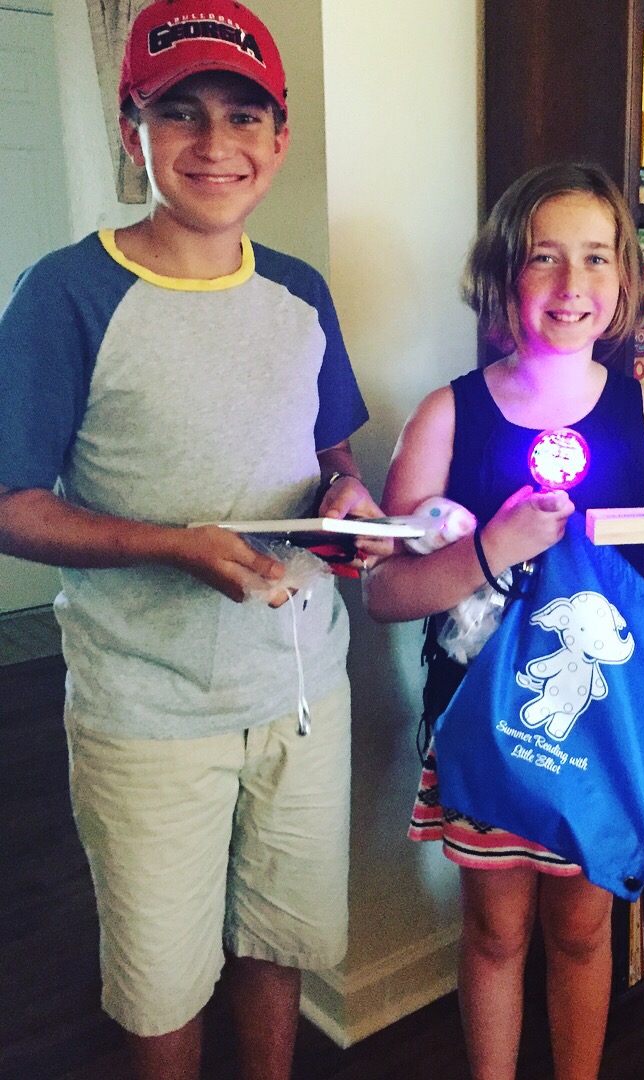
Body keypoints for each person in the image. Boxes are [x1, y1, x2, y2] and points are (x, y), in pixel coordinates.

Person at [0, 2, 390, 1077]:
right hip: (147, 713)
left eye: (242, 115)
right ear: (132, 126)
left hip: (302, 691)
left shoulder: (300, 291)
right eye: (181, 113)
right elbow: (13, 501)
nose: (215, 144)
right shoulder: (67, 294)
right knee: (162, 980)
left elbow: (331, 455)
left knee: (278, 942)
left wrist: (351, 496)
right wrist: (173, 545)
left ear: (280, 138)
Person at [364, 162, 644, 1080]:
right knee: (496, 931)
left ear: (624, 278)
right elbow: (386, 594)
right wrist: (493, 546)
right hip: (482, 722)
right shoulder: (448, 415)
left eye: (597, 257)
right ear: (504, 273)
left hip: (602, 726)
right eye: (545, 257)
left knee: (582, 931)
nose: (573, 283)